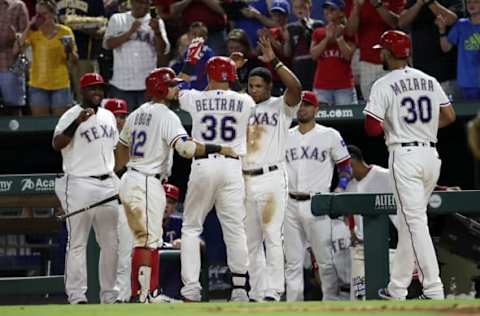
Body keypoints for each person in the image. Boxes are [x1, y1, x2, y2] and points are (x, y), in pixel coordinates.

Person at [114, 66, 237, 303]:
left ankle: (137, 293)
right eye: (171, 85)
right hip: (148, 181)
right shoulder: (166, 115)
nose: (176, 88)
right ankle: (146, 294)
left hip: (131, 178)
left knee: (136, 241)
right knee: (147, 241)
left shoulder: (136, 114)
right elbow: (186, 149)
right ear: (160, 88)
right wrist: (219, 148)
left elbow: (120, 155)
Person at [363, 30, 456, 300]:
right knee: (409, 221)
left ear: (390, 54)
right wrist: (420, 129)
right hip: (430, 156)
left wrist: (400, 127)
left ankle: (434, 288)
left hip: (405, 157)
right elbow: (449, 115)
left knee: (415, 223)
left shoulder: (384, 83)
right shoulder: (428, 80)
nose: (380, 53)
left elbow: (370, 128)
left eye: (383, 50)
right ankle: (397, 288)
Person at [176, 41, 255, 302]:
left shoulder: (197, 97)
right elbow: (237, 93)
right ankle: (241, 289)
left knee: (190, 227)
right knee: (235, 228)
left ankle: (191, 289)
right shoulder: (245, 100)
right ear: (232, 77)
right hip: (232, 167)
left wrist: (190, 63)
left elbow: (179, 87)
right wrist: (234, 70)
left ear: (208, 76)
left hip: (203, 163)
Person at [243, 36, 302, 302]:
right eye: (251, 86)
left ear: (268, 87)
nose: (254, 90)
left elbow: (296, 87)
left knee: (272, 236)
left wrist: (275, 60)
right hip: (244, 178)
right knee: (251, 241)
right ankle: (256, 291)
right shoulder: (241, 108)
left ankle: (275, 291)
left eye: (259, 86)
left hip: (271, 176)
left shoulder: (279, 106)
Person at [52, 73, 119, 304]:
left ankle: (109, 295)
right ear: (82, 91)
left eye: (100, 88)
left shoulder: (109, 115)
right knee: (78, 242)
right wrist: (77, 122)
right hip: (79, 182)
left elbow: (113, 150)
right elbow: (57, 143)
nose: (97, 92)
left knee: (111, 243)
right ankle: (77, 296)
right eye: (92, 88)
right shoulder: (70, 115)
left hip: (107, 183)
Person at [284, 91, 353, 301]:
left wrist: (340, 189)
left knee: (325, 259)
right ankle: (293, 305)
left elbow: (346, 167)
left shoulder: (329, 134)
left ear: (316, 109)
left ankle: (330, 301)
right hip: (290, 202)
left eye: (307, 105)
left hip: (317, 202)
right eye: (300, 105)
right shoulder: (285, 135)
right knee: (292, 262)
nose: (302, 108)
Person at [345, 144, 398, 300]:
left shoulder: (385, 176)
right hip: (361, 250)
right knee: (359, 297)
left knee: (391, 298)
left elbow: (412, 188)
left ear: (352, 161)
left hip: (389, 249)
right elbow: (348, 214)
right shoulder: (350, 186)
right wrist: (352, 231)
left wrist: (441, 189)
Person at [103, 0, 170, 112]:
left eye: (146, 3)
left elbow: (163, 50)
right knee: (123, 125)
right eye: (140, 2)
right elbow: (107, 44)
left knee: (147, 124)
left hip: (147, 85)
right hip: (121, 84)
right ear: (132, 2)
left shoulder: (156, 22)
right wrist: (129, 32)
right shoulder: (118, 19)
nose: (143, 6)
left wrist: (157, 31)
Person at [18, 0, 78, 116]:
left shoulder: (65, 32)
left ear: (53, 14)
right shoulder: (34, 33)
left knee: (59, 125)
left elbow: (74, 61)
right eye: (38, 14)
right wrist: (29, 26)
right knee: (40, 124)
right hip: (37, 85)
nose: (40, 18)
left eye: (43, 14)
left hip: (60, 84)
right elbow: (18, 47)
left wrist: (69, 50)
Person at [398, 0, 460, 100]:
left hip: (446, 72)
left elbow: (451, 20)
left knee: (449, 112)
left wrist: (430, 2)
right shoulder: (414, 1)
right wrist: (419, 3)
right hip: (420, 72)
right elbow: (402, 23)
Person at [345, 0, 405, 101]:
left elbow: (397, 23)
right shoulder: (353, 2)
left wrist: (378, 5)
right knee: (371, 105)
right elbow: (350, 31)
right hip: (368, 61)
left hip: (393, 60)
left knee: (395, 102)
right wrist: (356, 7)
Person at [57, 0, 107, 103]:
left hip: (83, 57)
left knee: (85, 99)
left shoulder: (94, 2)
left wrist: (78, 25)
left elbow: (102, 30)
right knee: (59, 101)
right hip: (55, 57)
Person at [310, 0, 358, 106]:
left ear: (341, 12)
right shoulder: (318, 32)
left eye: (332, 9)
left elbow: (348, 56)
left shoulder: (348, 32)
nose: (328, 12)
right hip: (322, 86)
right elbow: (313, 55)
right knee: (321, 120)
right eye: (326, 9)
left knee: (347, 120)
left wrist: (339, 38)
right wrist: (327, 38)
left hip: (344, 86)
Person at [437, 0, 480, 100]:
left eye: (476, 2)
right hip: (466, 83)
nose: (471, 5)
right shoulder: (461, 25)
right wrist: (442, 30)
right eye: (469, 2)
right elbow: (446, 48)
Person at [283, 0, 324, 91]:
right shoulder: (290, 28)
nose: (299, 10)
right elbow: (287, 53)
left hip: (314, 65)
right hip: (298, 66)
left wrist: (308, 27)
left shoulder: (318, 25)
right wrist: (286, 41)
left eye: (302, 6)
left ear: (309, 6)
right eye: (296, 7)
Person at [0, 0, 28, 116]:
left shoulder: (17, 6)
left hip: (10, 64)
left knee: (14, 108)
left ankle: (17, 134)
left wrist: (15, 39)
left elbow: (26, 36)